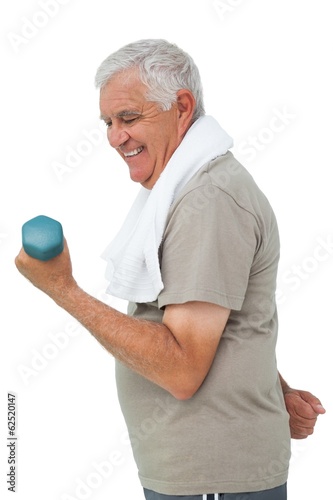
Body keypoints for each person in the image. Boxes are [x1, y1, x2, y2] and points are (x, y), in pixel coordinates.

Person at [15, 39, 325, 500]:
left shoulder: (209, 201)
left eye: (129, 118)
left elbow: (182, 369)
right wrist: (273, 387)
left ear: (182, 107)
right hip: (201, 475)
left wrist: (63, 289)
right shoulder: (184, 192)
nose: (115, 137)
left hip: (214, 479)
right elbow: (220, 324)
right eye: (108, 122)